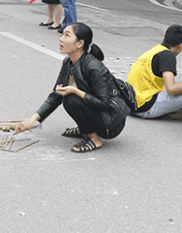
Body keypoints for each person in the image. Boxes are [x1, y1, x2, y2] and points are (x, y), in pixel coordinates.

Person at [15, 23, 130, 152]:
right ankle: (84, 128)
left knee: (71, 99)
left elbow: (104, 104)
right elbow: (55, 96)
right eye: (63, 34)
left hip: (111, 122)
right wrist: (31, 121)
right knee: (67, 96)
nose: (61, 39)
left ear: (80, 43)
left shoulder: (94, 67)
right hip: (99, 114)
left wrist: (75, 90)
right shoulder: (68, 62)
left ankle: (94, 139)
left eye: (67, 35)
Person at [127, 25, 182, 119]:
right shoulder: (168, 55)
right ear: (180, 46)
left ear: (164, 39)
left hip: (130, 104)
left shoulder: (153, 51)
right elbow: (171, 89)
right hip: (145, 108)